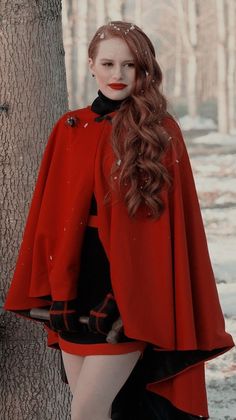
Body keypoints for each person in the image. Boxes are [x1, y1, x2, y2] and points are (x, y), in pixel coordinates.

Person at [4, 21, 234, 420]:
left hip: (131, 296)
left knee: (86, 412)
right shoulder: (69, 128)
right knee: (99, 411)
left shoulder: (160, 132)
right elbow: (49, 219)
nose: (118, 75)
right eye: (108, 63)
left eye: (129, 65)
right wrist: (52, 286)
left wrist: (133, 298)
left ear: (144, 70)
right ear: (91, 65)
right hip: (74, 291)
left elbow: (169, 234)